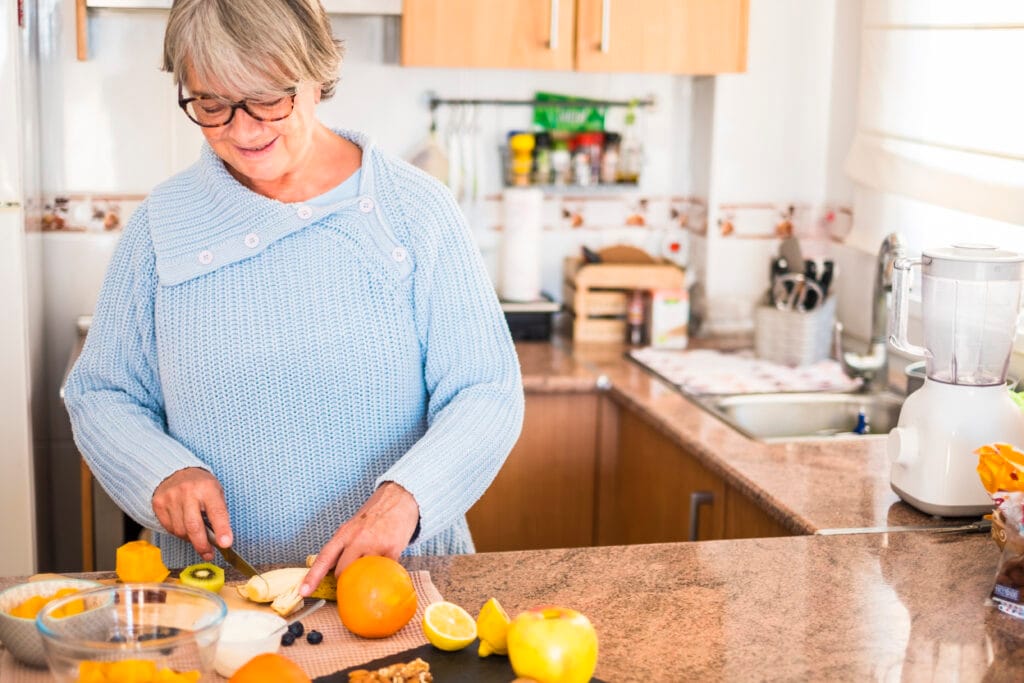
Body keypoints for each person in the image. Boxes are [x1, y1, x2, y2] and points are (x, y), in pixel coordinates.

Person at [63, 0, 524, 597]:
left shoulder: (414, 211)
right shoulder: (160, 226)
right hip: (215, 597)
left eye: (268, 99)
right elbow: (103, 392)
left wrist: (408, 498)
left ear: (317, 75)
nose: (245, 129)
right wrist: (162, 472)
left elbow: (486, 388)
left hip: (399, 585)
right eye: (212, 104)